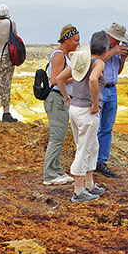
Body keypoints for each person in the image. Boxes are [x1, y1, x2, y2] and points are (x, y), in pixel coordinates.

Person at [54, 31, 115, 202]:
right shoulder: (99, 63)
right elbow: (94, 80)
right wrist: (95, 103)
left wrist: (68, 99)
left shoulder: (81, 61)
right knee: (83, 149)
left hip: (75, 108)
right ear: (105, 49)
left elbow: (59, 79)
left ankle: (89, 184)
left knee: (91, 146)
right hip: (88, 111)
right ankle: (78, 191)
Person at [41, 25, 80, 185]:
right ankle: (49, 175)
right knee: (56, 138)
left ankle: (57, 170)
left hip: (61, 98)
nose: (78, 43)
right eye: (76, 40)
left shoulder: (64, 56)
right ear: (67, 39)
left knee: (60, 136)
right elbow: (56, 80)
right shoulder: (59, 56)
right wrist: (76, 77)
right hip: (56, 98)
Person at [94, 22, 128, 178]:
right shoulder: (98, 45)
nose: (117, 42)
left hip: (112, 89)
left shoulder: (117, 50)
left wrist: (122, 59)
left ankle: (101, 161)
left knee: (107, 128)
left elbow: (118, 71)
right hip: (100, 89)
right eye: (116, 39)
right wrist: (113, 51)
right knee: (95, 126)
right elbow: (96, 62)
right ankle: (91, 160)